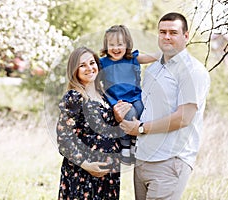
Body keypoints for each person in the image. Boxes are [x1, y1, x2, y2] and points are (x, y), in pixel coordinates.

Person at [115, 12, 211, 199]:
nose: (166, 36)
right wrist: (124, 113)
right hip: (143, 159)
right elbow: (146, 108)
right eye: (162, 32)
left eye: (173, 32)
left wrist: (140, 129)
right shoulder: (153, 69)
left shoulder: (192, 71)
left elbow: (183, 118)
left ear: (185, 36)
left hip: (169, 161)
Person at [56, 46, 131, 200]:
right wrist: (86, 164)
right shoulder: (75, 97)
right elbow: (64, 138)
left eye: (92, 63)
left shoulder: (103, 96)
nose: (89, 68)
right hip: (83, 174)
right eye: (82, 65)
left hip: (108, 175)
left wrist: (117, 119)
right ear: (74, 70)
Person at [99, 25, 159, 165]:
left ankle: (134, 141)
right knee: (129, 112)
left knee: (141, 109)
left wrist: (165, 53)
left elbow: (151, 57)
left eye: (120, 44)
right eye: (111, 44)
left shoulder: (132, 58)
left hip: (135, 96)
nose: (116, 48)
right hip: (116, 99)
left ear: (127, 44)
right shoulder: (103, 63)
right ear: (106, 46)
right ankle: (125, 145)